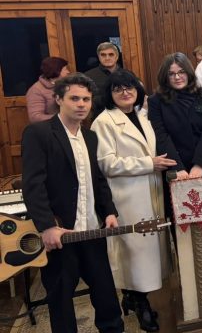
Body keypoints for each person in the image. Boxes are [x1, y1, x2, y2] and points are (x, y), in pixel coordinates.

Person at [21, 73, 124, 333]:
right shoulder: (38, 133)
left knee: (106, 295)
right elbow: (33, 186)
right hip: (60, 234)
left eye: (86, 99)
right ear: (58, 99)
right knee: (61, 301)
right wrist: (47, 226)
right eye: (74, 98)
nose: (81, 104)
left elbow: (98, 179)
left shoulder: (90, 137)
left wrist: (109, 212)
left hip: (91, 231)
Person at [90, 70, 174, 332]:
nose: (125, 93)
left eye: (130, 87)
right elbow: (106, 163)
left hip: (151, 190)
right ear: (110, 94)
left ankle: (137, 297)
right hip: (126, 196)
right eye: (118, 89)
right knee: (134, 252)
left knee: (149, 251)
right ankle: (138, 301)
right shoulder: (104, 122)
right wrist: (148, 163)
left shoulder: (142, 115)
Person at [148, 52, 202, 221]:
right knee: (184, 220)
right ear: (165, 76)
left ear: (189, 72)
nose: (177, 77)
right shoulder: (156, 101)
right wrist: (178, 168)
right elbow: (161, 135)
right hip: (178, 166)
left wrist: (199, 164)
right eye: (171, 73)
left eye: (181, 72)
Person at [26, 56, 70, 122]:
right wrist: (62, 118)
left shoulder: (67, 85)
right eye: (65, 69)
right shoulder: (36, 90)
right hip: (50, 127)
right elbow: (35, 117)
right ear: (57, 70)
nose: (68, 72)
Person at [84, 42, 123, 117]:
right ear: (99, 57)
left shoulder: (127, 75)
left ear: (117, 57)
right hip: (99, 117)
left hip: (124, 116)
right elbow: (85, 99)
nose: (107, 58)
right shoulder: (88, 76)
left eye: (111, 54)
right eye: (103, 55)